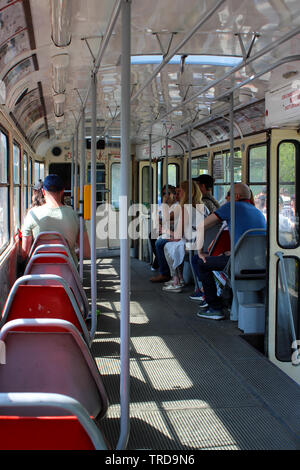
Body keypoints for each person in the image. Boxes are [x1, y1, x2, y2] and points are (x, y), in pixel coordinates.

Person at [192, 183, 266, 320]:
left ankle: (214, 308)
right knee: (221, 257)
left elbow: (201, 226)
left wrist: (200, 251)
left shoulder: (231, 206)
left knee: (199, 261)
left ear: (236, 196)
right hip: (260, 264)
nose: (226, 197)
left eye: (228, 194)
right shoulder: (258, 212)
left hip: (238, 264)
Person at [21, 174, 90, 264]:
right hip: (67, 273)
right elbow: (86, 253)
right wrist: (70, 255)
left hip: (37, 273)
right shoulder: (75, 215)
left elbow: (24, 253)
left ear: (43, 191)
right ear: (62, 191)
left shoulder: (32, 214)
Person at [162, 180, 205, 292]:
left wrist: (165, 230)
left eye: (180, 191)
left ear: (185, 192)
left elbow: (178, 235)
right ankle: (180, 278)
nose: (178, 194)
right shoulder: (202, 206)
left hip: (193, 244)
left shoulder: (185, 208)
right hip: (203, 242)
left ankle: (176, 280)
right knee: (174, 245)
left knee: (168, 246)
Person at [149, 185, 181, 283]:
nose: (165, 196)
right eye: (163, 194)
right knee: (152, 235)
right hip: (166, 228)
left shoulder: (177, 206)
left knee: (159, 241)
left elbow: (167, 218)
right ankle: (159, 261)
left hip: (173, 230)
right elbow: (157, 218)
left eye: (168, 194)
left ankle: (162, 270)